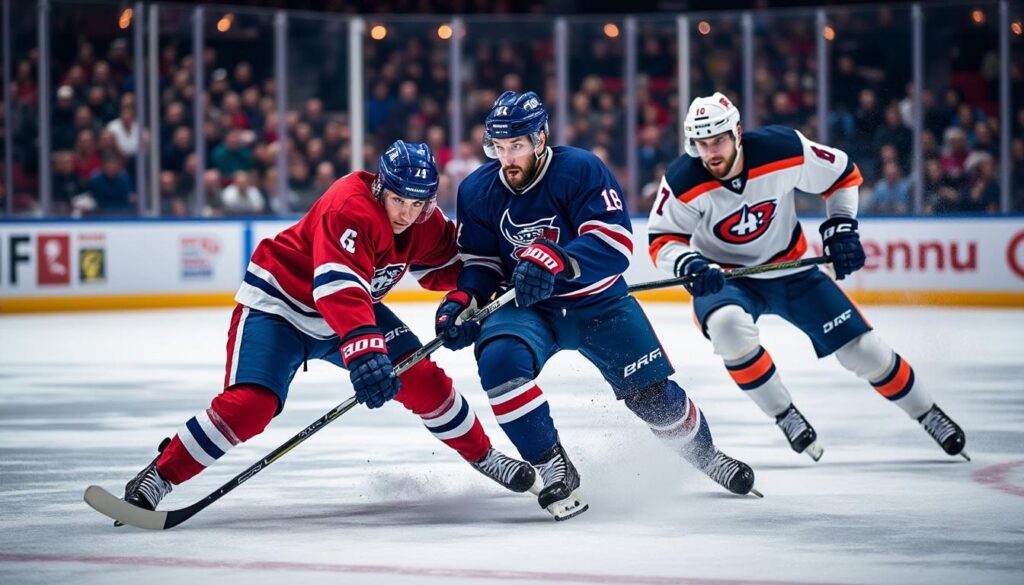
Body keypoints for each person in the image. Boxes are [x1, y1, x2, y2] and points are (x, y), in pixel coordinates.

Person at [120, 140, 537, 516]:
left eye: (418, 204)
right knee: (251, 406)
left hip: (350, 316)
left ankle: (485, 456)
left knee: (423, 379)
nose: (407, 214)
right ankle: (159, 476)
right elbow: (338, 287)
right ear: (380, 188)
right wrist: (365, 352)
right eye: (398, 200)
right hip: (280, 307)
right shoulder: (348, 205)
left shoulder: (422, 220)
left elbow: (459, 266)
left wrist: (485, 288)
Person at [437, 91, 759, 522]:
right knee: (499, 363)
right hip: (529, 307)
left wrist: (557, 259)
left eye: (517, 145)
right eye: (499, 146)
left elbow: (615, 242)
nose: (508, 157)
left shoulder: (580, 169)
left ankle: (705, 455)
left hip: (599, 301)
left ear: (540, 139)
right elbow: (482, 263)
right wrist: (466, 299)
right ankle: (552, 464)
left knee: (652, 397)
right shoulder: (477, 189)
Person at [647, 92, 967, 462]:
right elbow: (662, 240)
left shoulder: (782, 148)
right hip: (724, 278)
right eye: (702, 144)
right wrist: (689, 264)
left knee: (864, 350)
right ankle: (785, 414)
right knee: (728, 327)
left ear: (737, 133)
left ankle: (928, 413)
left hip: (791, 268)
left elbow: (843, 174)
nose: (710, 153)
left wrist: (842, 225)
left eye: (717, 140)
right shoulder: (683, 179)